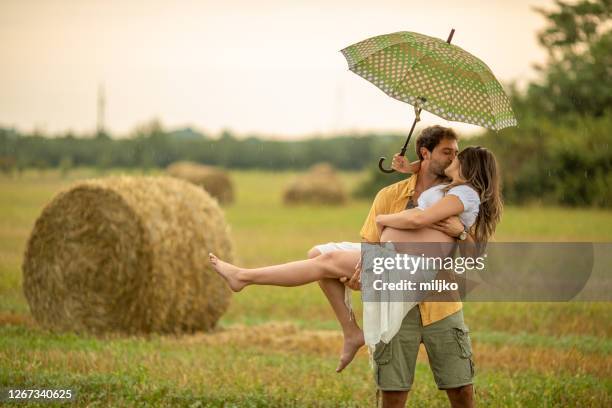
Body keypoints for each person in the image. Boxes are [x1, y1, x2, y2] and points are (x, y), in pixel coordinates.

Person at [209, 126, 502, 408]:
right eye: (447, 152)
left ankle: (245, 277)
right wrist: (362, 274)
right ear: (425, 154)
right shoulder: (391, 196)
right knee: (320, 256)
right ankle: (350, 331)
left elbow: (474, 254)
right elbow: (369, 243)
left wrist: (459, 232)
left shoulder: (457, 194)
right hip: (394, 290)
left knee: (461, 390)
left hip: (440, 303)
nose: (454, 158)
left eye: (457, 154)